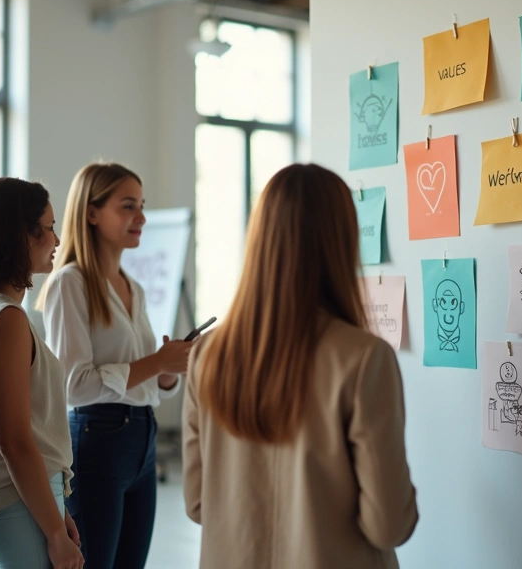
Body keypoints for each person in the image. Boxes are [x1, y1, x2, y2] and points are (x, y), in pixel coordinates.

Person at [183, 163, 419, 569]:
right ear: (342, 241)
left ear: (259, 239)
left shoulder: (206, 356)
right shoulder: (363, 359)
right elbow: (388, 526)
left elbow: (199, 502)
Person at [37, 162, 193, 569]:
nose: (141, 218)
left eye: (141, 206)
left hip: (143, 437)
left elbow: (143, 379)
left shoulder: (132, 287)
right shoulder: (68, 283)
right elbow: (74, 386)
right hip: (97, 438)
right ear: (91, 212)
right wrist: (156, 361)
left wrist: (167, 370)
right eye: (128, 206)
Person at [0, 178, 83, 569]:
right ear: (22, 234)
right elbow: (15, 442)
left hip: (24, 499)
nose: (57, 240)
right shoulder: (5, 318)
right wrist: (55, 533)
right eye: (50, 226)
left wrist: (58, 512)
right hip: (15, 501)